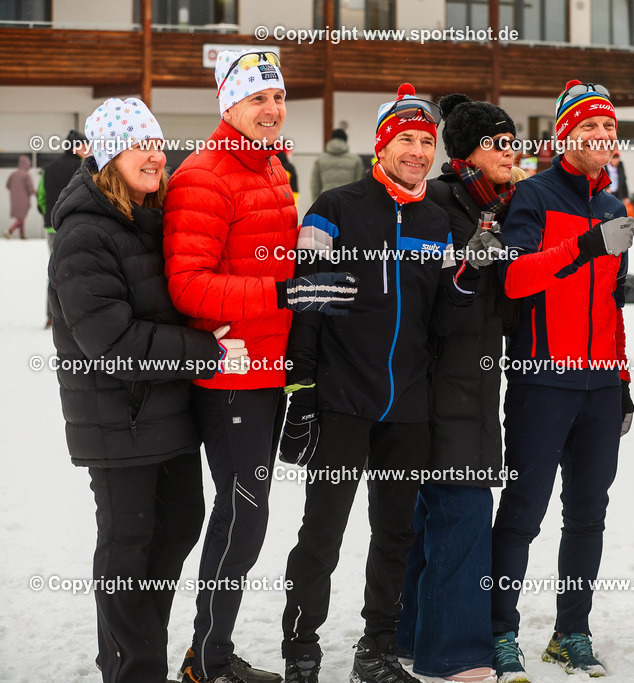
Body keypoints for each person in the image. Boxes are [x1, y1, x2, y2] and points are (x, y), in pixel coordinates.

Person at [164, 49, 356, 683]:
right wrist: (281, 293)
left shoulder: (272, 168)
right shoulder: (203, 175)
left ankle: (210, 653)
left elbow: (271, 265)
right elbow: (189, 286)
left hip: (270, 370)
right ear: (229, 105)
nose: (273, 110)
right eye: (257, 99)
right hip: (229, 375)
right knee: (243, 515)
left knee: (247, 515)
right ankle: (208, 660)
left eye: (277, 98)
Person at [278, 83, 480, 683]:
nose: (418, 151)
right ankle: (301, 648)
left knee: (394, 534)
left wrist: (467, 278)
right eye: (407, 140)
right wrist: (302, 390)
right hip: (341, 402)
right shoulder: (335, 209)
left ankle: (377, 649)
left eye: (426, 141)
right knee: (322, 532)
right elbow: (307, 307)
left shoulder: (437, 221)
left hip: (407, 408)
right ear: (382, 145)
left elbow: (443, 320)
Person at [48, 97, 248, 683]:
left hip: (165, 413)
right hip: (117, 420)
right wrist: (203, 351)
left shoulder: (149, 220)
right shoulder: (85, 235)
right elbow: (108, 343)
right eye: (140, 145)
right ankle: (130, 668)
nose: (155, 156)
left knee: (180, 525)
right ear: (110, 155)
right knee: (129, 544)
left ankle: (136, 654)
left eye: (158, 144)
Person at [490, 79, 634, 682]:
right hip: (542, 379)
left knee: (588, 514)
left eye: (610, 127)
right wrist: (582, 246)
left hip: (600, 384)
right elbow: (515, 279)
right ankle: (498, 632)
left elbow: (612, 307)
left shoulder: (613, 206)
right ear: (563, 136)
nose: (603, 136)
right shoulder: (532, 194)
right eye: (590, 127)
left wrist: (622, 381)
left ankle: (570, 630)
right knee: (523, 511)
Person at [393, 93, 521, 683]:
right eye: (498, 142)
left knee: (439, 514)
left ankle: (412, 636)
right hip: (441, 384)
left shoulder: (496, 204)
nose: (510, 152)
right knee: (464, 514)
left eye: (513, 141)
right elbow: (425, 297)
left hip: (474, 382)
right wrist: (467, 270)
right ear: (467, 153)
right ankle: (456, 653)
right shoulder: (441, 204)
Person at [38, 129, 89, 327]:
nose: (89, 149)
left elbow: (41, 197)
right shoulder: (83, 168)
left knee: (56, 269)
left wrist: (48, 217)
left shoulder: (48, 168)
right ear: (76, 147)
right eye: (85, 145)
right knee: (79, 269)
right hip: (75, 226)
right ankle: (74, 316)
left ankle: (52, 315)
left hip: (52, 229)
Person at [310, 127, 365, 198]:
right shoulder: (356, 160)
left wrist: (316, 201)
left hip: (327, 200)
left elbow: (315, 185)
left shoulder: (320, 160)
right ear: (345, 141)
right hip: (348, 200)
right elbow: (359, 184)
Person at [6, 155, 34, 239]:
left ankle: (22, 236)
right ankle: (10, 231)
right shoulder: (26, 175)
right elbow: (31, 189)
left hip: (14, 198)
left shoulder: (13, 174)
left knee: (21, 217)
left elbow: (8, 185)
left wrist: (15, 191)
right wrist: (37, 193)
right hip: (24, 199)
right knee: (21, 217)